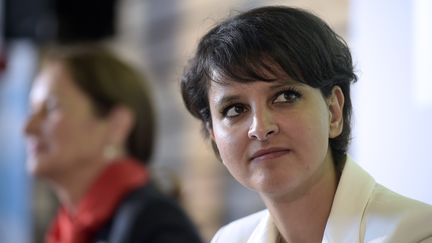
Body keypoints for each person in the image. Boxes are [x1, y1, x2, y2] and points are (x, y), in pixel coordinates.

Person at [180, 6, 432, 243]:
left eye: (285, 96)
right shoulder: (229, 239)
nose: (260, 127)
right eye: (235, 109)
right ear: (214, 136)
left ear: (333, 112)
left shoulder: (415, 233)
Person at [24, 44, 203, 243]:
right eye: (32, 111)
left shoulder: (155, 223)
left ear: (117, 124)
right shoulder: (66, 229)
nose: (28, 128)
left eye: (50, 109)